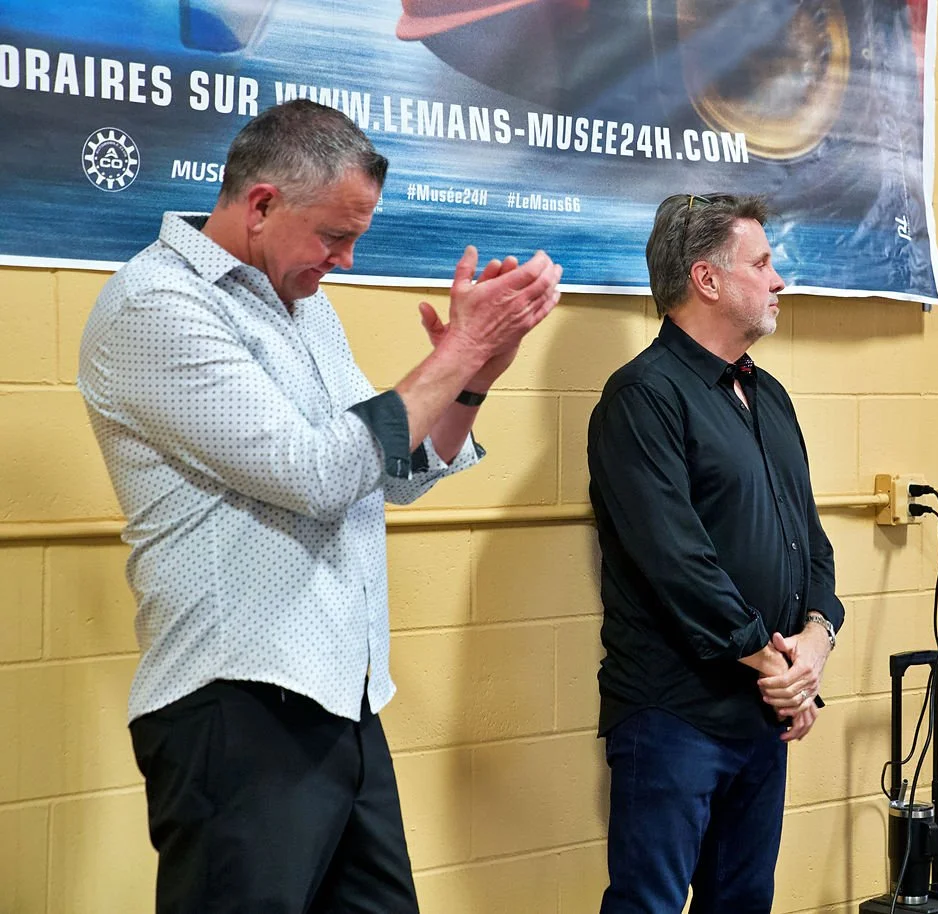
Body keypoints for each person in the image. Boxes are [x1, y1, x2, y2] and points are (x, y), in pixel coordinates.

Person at [77, 98, 561, 914]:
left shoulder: (302, 308)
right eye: (335, 235)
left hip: (344, 700)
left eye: (356, 239)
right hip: (236, 706)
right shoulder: (156, 305)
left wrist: (473, 375)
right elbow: (313, 473)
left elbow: (391, 471)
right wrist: (459, 350)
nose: (342, 259)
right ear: (262, 204)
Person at [588, 192, 844, 913]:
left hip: (764, 713)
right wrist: (776, 666)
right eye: (761, 263)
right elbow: (678, 561)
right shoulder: (642, 398)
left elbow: (809, 543)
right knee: (651, 904)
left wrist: (815, 645)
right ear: (707, 280)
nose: (778, 280)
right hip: (677, 717)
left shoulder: (771, 397)